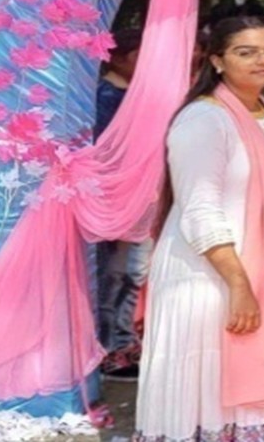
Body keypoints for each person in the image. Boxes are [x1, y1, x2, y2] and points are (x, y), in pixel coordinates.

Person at [135, 17, 264, 441]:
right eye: (247, 52)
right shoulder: (204, 119)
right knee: (215, 379)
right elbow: (200, 209)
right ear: (217, 61)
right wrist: (239, 284)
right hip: (216, 275)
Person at [94, 28, 147, 381]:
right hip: (118, 201)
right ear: (116, 58)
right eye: (137, 56)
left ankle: (122, 342)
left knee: (133, 273)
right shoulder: (106, 97)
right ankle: (112, 350)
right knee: (117, 275)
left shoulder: (130, 93)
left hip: (139, 198)